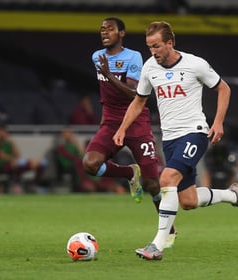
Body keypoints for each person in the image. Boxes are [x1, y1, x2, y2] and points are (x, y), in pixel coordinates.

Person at [113, 21, 238, 260]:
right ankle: (232, 196)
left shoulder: (194, 64)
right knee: (188, 200)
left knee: (166, 178)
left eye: (156, 46)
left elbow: (224, 89)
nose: (153, 51)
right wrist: (122, 128)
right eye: (149, 47)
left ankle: (157, 245)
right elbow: (138, 101)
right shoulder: (149, 68)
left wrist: (217, 123)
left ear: (170, 43)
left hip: (194, 133)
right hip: (170, 138)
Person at [82, 17, 176, 247]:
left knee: (153, 183)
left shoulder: (133, 57)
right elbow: (107, 96)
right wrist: (105, 123)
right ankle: (128, 173)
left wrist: (109, 73)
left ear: (121, 33)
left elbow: (134, 94)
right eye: (102, 29)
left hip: (136, 122)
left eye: (110, 29)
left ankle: (169, 229)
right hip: (111, 122)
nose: (104, 32)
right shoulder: (97, 57)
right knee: (90, 164)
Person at [55, 127, 126, 193]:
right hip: (76, 169)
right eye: (66, 134)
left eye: (70, 134)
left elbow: (82, 155)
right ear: (62, 136)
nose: (68, 136)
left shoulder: (75, 147)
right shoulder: (61, 148)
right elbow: (77, 158)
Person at [0, 123, 48, 194]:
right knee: (15, 166)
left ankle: (34, 184)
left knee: (38, 163)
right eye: (0, 131)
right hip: (3, 166)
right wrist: (11, 159)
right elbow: (0, 156)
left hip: (14, 164)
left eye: (4, 131)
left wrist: (12, 143)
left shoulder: (9, 143)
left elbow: (18, 155)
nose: (2, 133)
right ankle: (16, 185)